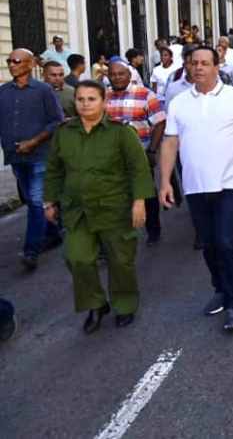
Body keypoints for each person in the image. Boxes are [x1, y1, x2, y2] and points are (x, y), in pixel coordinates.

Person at [158, 46, 233, 331]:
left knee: (226, 241)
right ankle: (220, 288)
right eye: (194, 63)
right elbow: (170, 142)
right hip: (195, 186)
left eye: (205, 63)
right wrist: (166, 181)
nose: (199, 68)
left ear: (217, 66)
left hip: (230, 183)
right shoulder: (179, 102)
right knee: (208, 243)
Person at [43, 80, 154, 332]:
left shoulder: (120, 132)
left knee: (120, 261)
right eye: (80, 99)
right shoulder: (65, 132)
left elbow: (138, 169)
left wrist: (139, 202)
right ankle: (95, 304)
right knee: (76, 258)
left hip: (114, 208)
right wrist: (49, 200)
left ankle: (124, 304)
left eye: (91, 99)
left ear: (104, 102)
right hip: (77, 210)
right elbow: (54, 169)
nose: (85, 104)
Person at [1, 48, 65, 269]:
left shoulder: (44, 90)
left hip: (39, 155)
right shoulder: (3, 92)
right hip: (15, 157)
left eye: (16, 60)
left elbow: (57, 121)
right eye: (9, 60)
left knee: (37, 202)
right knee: (30, 200)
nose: (11, 64)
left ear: (29, 64)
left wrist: (34, 141)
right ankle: (53, 232)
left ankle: (31, 251)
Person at [105, 58, 166, 246]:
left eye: (121, 73)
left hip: (140, 153)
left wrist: (152, 150)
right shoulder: (103, 97)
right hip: (110, 157)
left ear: (129, 75)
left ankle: (153, 230)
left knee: (146, 193)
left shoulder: (145, 94)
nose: (117, 77)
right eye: (113, 74)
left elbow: (160, 122)